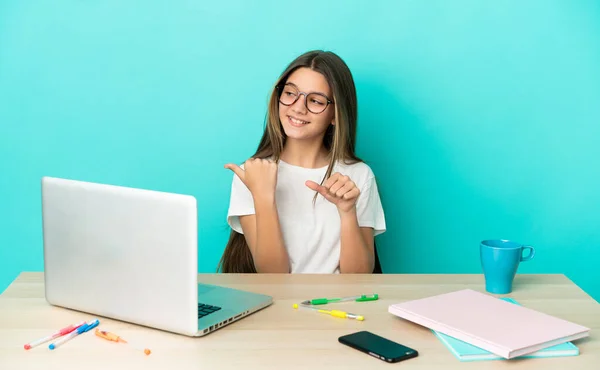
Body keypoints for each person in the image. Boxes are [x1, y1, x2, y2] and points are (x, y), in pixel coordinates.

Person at [218, 50, 386, 274]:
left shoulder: (359, 175)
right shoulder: (254, 174)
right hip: (279, 304)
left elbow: (359, 278)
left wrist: (347, 212)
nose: (298, 107)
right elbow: (272, 276)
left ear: (336, 114)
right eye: (290, 93)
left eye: (315, 101)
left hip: (336, 306)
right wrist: (263, 196)